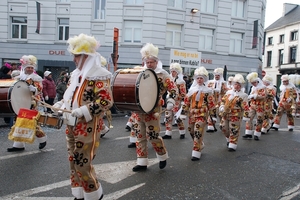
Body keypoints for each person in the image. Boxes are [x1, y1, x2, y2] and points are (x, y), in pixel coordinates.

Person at [52, 33, 113, 200]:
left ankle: (94, 194)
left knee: (82, 161)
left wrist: (84, 110)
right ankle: (79, 194)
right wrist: (62, 105)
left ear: (86, 56)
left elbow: (106, 101)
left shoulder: (100, 74)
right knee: (73, 159)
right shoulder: (76, 74)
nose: (73, 59)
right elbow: (71, 97)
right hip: (70, 123)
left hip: (87, 124)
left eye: (76, 55)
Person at [129, 43, 179, 172]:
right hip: (139, 110)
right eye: (147, 62)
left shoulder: (163, 75)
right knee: (140, 136)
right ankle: (142, 162)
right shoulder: (139, 72)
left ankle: (162, 157)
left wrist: (171, 101)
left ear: (157, 62)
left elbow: (173, 89)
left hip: (153, 110)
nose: (149, 64)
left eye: (151, 62)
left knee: (153, 136)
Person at [7, 55, 47, 152]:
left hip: (31, 103)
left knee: (31, 122)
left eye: (31, 68)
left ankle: (43, 139)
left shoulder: (36, 78)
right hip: (20, 102)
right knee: (19, 122)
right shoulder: (20, 78)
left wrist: (35, 89)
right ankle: (18, 144)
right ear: (24, 68)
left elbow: (40, 89)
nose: (30, 69)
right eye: (28, 67)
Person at [180, 66, 216, 160]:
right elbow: (186, 102)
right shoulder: (192, 90)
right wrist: (183, 113)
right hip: (192, 114)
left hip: (202, 114)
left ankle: (196, 152)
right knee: (191, 130)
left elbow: (211, 104)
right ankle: (200, 144)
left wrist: (213, 115)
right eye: (198, 78)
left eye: (201, 78)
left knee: (197, 131)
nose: (199, 80)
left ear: (204, 79)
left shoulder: (207, 91)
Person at [219, 74, 249, 151]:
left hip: (236, 114)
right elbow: (223, 101)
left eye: (239, 84)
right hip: (226, 113)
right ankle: (228, 138)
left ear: (241, 86)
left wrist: (246, 115)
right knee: (223, 127)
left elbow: (245, 106)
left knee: (234, 129)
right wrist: (222, 106)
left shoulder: (243, 95)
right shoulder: (228, 93)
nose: (237, 86)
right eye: (236, 84)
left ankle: (233, 144)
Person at [161, 63, 187, 139]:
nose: (172, 73)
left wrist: (177, 99)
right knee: (168, 117)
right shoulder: (169, 80)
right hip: (169, 100)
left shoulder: (181, 82)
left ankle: (182, 132)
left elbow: (183, 93)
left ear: (177, 72)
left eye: (174, 71)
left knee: (178, 118)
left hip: (177, 102)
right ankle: (168, 133)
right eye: (171, 71)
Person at [242, 72, 266, 141]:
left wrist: (255, 96)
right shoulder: (253, 88)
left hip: (260, 106)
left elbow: (264, 96)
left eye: (253, 83)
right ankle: (248, 133)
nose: (253, 84)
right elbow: (250, 95)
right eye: (252, 83)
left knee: (259, 120)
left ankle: (257, 134)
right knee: (248, 118)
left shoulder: (263, 87)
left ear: (257, 81)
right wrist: (249, 97)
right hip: (252, 105)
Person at [206, 67, 228, 132]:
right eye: (216, 75)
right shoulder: (210, 82)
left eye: (218, 75)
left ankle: (222, 124)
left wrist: (219, 90)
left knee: (220, 114)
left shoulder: (223, 83)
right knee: (211, 113)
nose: (216, 76)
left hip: (220, 101)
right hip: (212, 101)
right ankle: (211, 127)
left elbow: (225, 91)